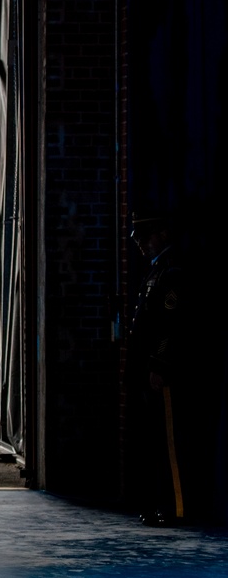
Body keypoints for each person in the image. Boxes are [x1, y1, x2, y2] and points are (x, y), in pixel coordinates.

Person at [125, 209, 189, 527]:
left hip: (162, 374)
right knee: (153, 441)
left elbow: (170, 327)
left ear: (162, 234)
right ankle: (158, 502)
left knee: (169, 443)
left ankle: (175, 506)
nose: (140, 243)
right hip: (147, 372)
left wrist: (159, 364)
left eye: (145, 236)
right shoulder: (155, 272)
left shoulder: (172, 272)